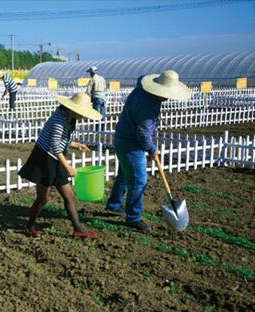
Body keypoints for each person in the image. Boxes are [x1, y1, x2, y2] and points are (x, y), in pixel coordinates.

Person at [106, 70, 190, 232]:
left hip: (121, 137)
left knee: (124, 174)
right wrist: (152, 149)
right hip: (131, 143)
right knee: (139, 181)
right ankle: (133, 218)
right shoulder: (150, 104)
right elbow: (143, 133)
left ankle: (114, 205)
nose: (168, 97)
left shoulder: (140, 90)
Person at [18, 93, 101, 239]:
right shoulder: (59, 120)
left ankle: (78, 229)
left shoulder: (67, 117)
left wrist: (75, 144)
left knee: (69, 196)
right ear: (72, 109)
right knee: (42, 199)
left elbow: (60, 139)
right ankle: (30, 226)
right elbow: (55, 146)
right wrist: (68, 167)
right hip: (44, 159)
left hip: (55, 159)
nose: (82, 116)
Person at [85, 66, 107, 131]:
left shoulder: (92, 79)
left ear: (91, 72)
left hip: (96, 98)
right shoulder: (102, 78)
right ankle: (103, 129)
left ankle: (97, 129)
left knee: (96, 114)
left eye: (90, 72)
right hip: (102, 98)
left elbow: (88, 91)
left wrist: (88, 96)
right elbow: (105, 88)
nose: (89, 74)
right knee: (102, 113)